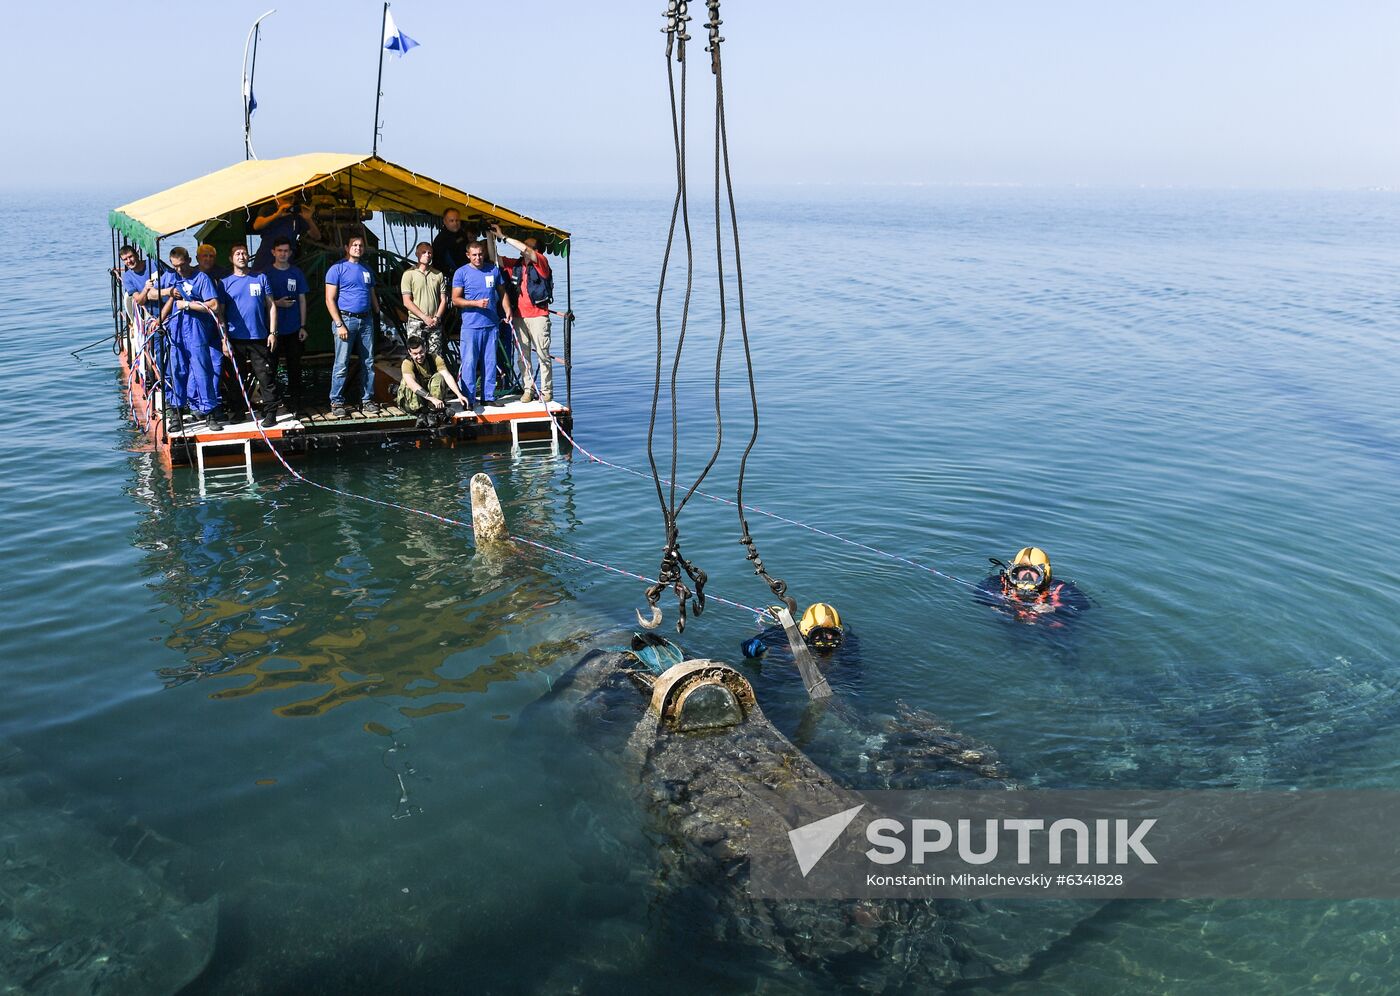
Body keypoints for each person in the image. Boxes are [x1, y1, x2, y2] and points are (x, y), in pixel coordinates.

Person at [155, 246, 222, 431]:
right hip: (176, 331)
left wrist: (189, 305)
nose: (179, 270)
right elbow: (152, 294)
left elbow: (214, 305)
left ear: (189, 260)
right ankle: (177, 415)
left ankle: (209, 413)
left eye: (182, 265)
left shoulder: (201, 278)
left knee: (202, 371)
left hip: (196, 330)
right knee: (177, 371)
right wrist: (168, 292)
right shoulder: (170, 277)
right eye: (175, 266)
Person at [492, 224, 554, 403]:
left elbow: (525, 249)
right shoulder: (517, 265)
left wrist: (503, 237)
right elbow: (495, 258)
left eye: (527, 246)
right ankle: (528, 389)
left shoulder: (541, 262)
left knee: (543, 355)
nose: (523, 248)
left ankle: (546, 391)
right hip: (519, 316)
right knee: (523, 356)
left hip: (538, 316)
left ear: (536, 250)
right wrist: (491, 236)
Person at [221, 244, 281, 428]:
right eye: (238, 253)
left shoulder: (261, 278)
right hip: (235, 338)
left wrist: (272, 332)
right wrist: (224, 339)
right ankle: (237, 412)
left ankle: (271, 412)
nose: (242, 256)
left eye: (244, 253)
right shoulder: (225, 283)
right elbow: (220, 313)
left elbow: (271, 305)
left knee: (265, 376)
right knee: (235, 377)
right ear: (231, 259)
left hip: (259, 337)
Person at [451, 242, 513, 408]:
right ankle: (469, 399)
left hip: (491, 325)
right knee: (470, 363)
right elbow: (455, 299)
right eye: (474, 255)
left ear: (484, 253)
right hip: (471, 326)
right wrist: (476, 303)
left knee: (490, 362)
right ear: (468, 255)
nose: (478, 258)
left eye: (480, 254)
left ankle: (488, 396)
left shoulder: (493, 270)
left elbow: (502, 292)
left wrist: (507, 309)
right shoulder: (461, 272)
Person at [325, 234, 381, 418]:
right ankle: (337, 401)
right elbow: (329, 299)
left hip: (366, 321)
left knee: (368, 362)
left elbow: (371, 292)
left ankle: (367, 400)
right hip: (346, 320)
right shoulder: (337, 269)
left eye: (361, 245)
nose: (358, 248)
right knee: (342, 363)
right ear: (347, 248)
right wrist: (339, 324)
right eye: (354, 245)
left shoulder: (366, 269)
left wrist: (377, 311)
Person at [976, 547, 1091, 625]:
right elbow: (979, 592)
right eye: (1022, 570)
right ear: (1013, 571)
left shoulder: (1059, 588)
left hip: (1049, 628)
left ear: (1045, 573)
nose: (1027, 576)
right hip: (1014, 622)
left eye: (1032, 571)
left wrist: (1054, 608)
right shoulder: (1000, 583)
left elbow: (1082, 606)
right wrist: (1001, 604)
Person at [264, 237, 309, 414]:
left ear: (290, 253)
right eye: (280, 250)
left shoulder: (296, 273)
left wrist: (303, 326)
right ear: (273, 252)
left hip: (293, 329)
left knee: (295, 367)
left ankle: (296, 403)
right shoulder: (266, 274)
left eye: (286, 251)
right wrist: (278, 303)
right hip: (273, 331)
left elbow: (302, 300)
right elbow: (261, 302)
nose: (283, 254)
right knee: (270, 368)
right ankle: (272, 403)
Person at [396, 335, 469, 425]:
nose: (419, 356)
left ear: (425, 349)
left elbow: (447, 376)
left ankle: (433, 410)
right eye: (415, 354)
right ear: (409, 353)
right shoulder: (407, 363)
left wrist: (459, 394)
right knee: (407, 381)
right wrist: (432, 399)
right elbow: (412, 384)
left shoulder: (435, 358)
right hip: (413, 402)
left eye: (421, 352)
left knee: (439, 376)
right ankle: (419, 412)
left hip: (430, 400)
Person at [400, 242, 447, 357]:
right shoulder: (408, 274)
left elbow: (444, 300)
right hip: (416, 322)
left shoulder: (438, 274)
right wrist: (424, 317)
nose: (427, 255)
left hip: (434, 322)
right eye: (423, 252)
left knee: (436, 356)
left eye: (429, 252)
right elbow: (406, 301)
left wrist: (437, 318)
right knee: (416, 355)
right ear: (417, 254)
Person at [251, 195, 321, 272]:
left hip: (285, 263)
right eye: (285, 199)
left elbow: (316, 236)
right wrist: (276, 215)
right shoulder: (268, 209)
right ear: (276, 199)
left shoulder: (297, 214)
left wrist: (308, 219)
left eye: (292, 198)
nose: (289, 202)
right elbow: (257, 225)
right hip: (265, 260)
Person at [431, 208, 474, 280]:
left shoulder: (462, 234)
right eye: (451, 221)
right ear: (445, 221)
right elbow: (437, 263)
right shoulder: (440, 240)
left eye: (457, 220)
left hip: (465, 273)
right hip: (449, 277)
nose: (455, 223)